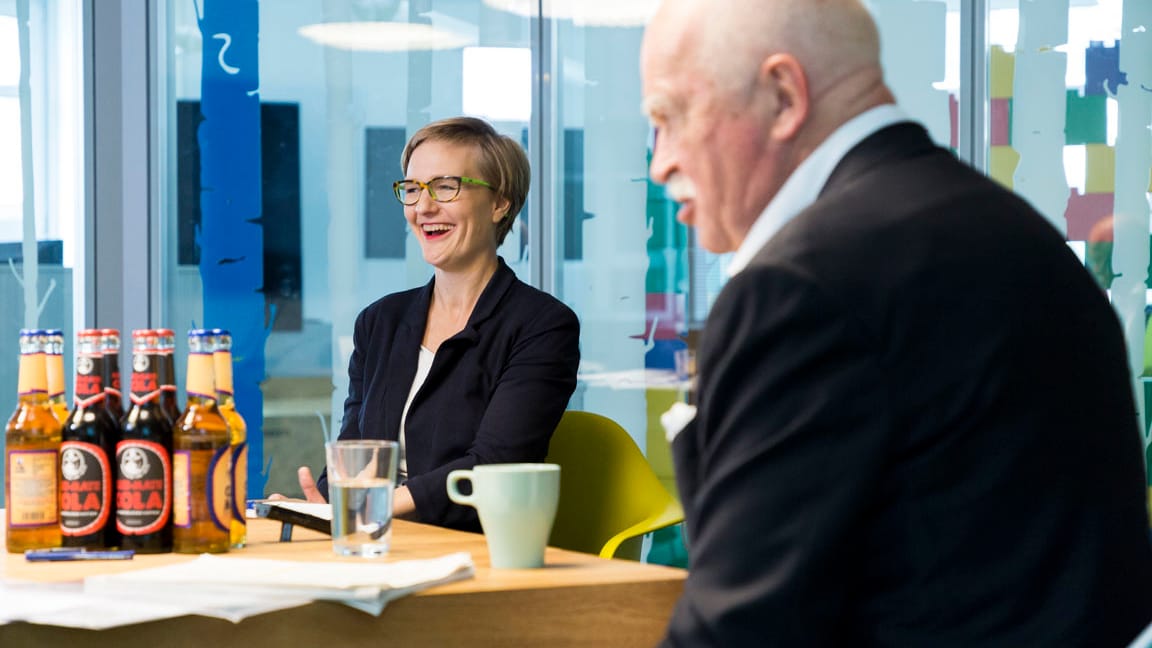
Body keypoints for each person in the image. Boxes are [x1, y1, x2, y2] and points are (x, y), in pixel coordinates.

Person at [640, 0, 1152, 645]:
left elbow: (740, 630)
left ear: (782, 95)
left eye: (670, 117)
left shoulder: (799, 285)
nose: (661, 161)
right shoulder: (1017, 234)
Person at [286, 116, 580, 532]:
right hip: (374, 536)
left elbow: (493, 466)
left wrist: (370, 506)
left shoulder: (543, 326)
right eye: (412, 189)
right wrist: (318, 510)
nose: (423, 207)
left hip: (470, 549)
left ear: (500, 203)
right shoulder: (379, 321)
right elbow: (356, 449)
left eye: (446, 187)